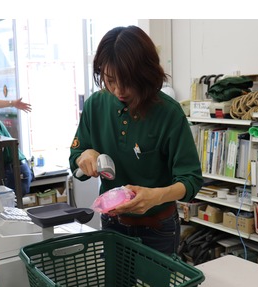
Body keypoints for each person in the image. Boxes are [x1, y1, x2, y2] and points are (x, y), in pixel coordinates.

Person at [69, 26, 203, 255]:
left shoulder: (168, 113)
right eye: (110, 80)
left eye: (128, 81)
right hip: (112, 225)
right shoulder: (95, 105)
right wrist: (85, 156)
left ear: (146, 73)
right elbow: (75, 163)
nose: (119, 90)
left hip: (158, 227)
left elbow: (191, 180)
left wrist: (155, 196)